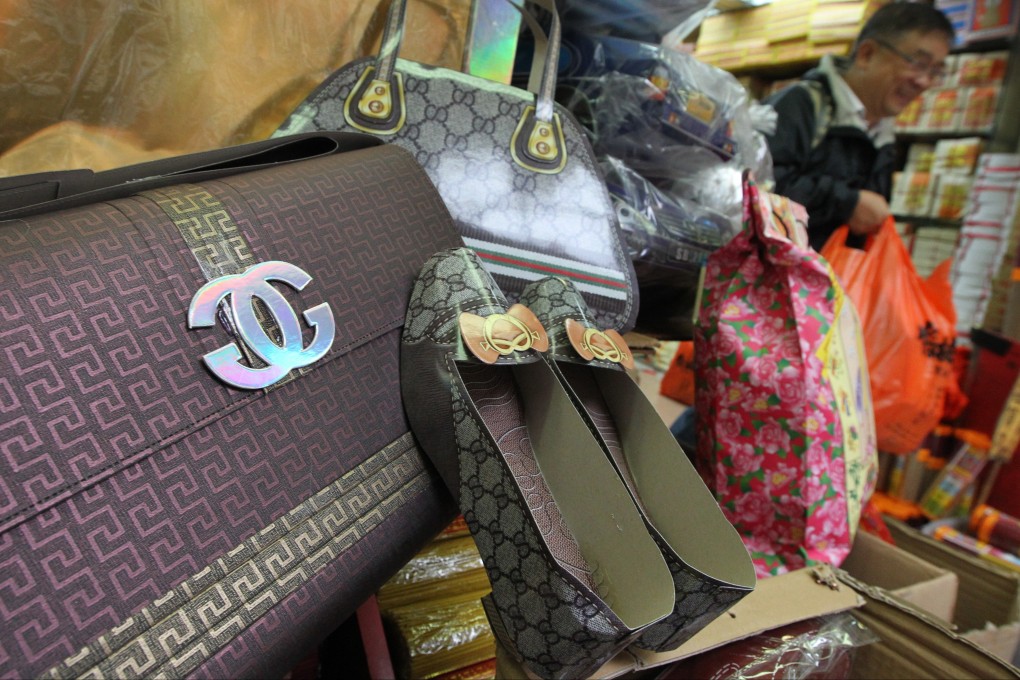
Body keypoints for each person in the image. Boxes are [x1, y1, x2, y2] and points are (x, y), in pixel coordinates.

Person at [763, 1, 955, 251]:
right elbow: (754, 186)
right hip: (769, 282)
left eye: (936, 72)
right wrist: (847, 203)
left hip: (825, 285)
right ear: (867, 54)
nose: (924, 81)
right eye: (918, 64)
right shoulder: (802, 105)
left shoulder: (883, 136)